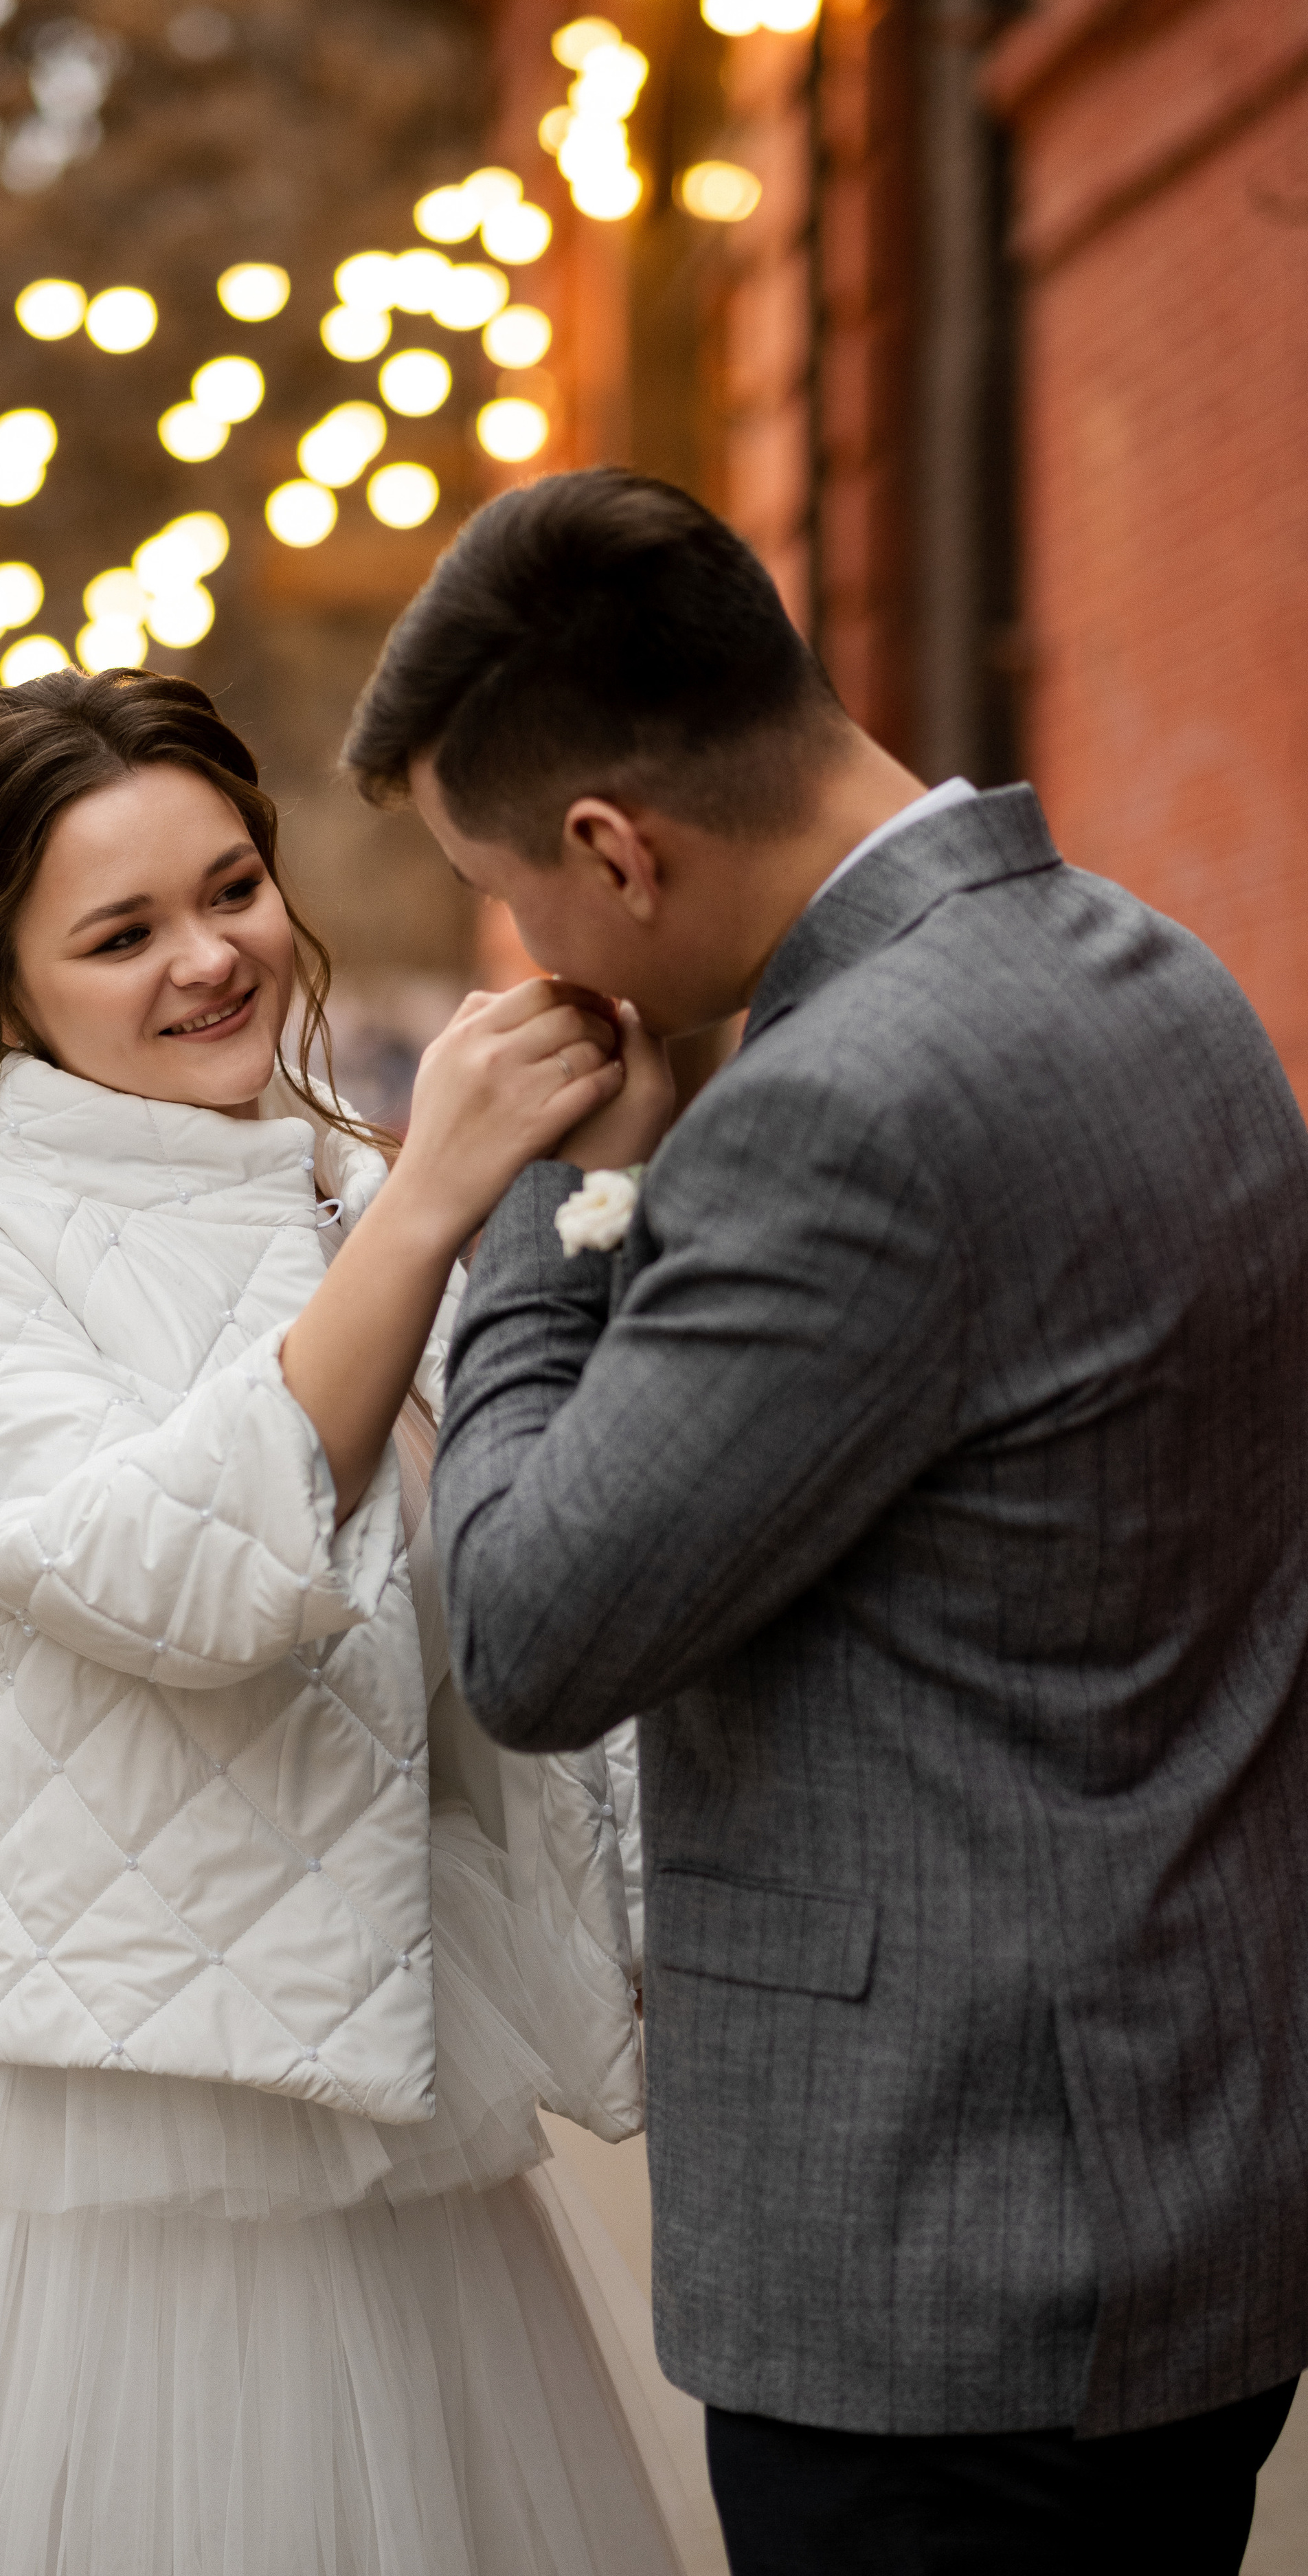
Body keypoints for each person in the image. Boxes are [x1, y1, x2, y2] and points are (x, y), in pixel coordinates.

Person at [0, 668, 698, 2576]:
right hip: (80, 2177)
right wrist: (430, 1207)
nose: (211, 958)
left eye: (233, 888)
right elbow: (194, 1584)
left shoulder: (357, 1194)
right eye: (123, 931)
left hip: (386, 2140)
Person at [340, 467, 1308, 2575]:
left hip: (947, 2281)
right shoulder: (1165, 976)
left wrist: (527, 1206)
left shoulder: (840, 1116)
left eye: (512, 895)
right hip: (1187, 2200)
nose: (527, 951)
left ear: (616, 845)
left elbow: (528, 1626)